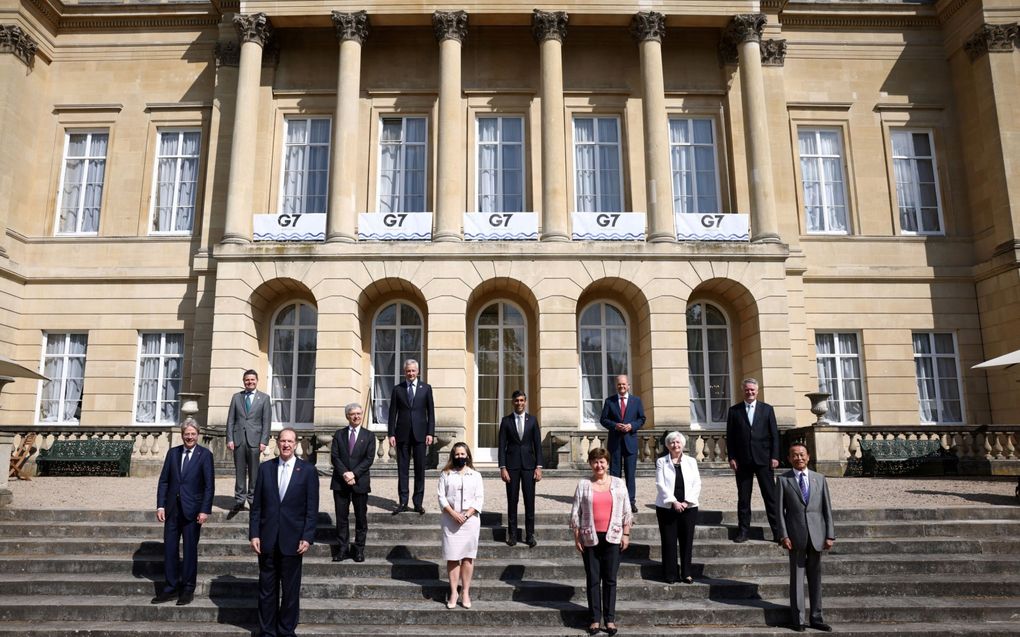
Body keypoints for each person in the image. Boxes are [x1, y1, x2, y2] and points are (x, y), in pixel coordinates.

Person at [250, 428, 319, 637]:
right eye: (282, 441)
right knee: (266, 591)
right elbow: (257, 506)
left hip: (293, 540)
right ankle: (267, 631)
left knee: (290, 592)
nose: (286, 445)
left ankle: (286, 630)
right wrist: (254, 534)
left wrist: (307, 536)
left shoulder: (307, 471)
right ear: (277, 443)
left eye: (290, 441)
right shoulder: (265, 469)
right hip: (267, 539)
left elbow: (311, 508)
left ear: (296, 443)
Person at [570, 447, 633, 636]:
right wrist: (577, 537)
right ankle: (595, 619)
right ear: (590, 464)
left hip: (613, 536)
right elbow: (575, 513)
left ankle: (610, 619)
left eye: (602, 461)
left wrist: (626, 534)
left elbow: (626, 511)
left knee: (611, 580)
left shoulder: (619, 483)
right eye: (595, 461)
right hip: (590, 537)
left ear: (607, 463)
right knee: (593, 580)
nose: (599, 465)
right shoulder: (583, 484)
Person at [152, 418, 214, 606]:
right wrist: (160, 505)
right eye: (187, 434)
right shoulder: (172, 453)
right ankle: (170, 588)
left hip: (193, 511)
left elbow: (209, 486)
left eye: (193, 434)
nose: (190, 437)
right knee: (170, 549)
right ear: (182, 435)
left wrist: (205, 510)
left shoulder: (205, 455)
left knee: (189, 550)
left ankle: (187, 589)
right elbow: (164, 481)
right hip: (171, 509)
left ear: (198, 435)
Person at [776, 443, 835, 632]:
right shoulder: (784, 480)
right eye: (794, 455)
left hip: (817, 535)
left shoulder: (819, 478)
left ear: (808, 457)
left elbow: (827, 509)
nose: (798, 458)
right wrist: (783, 535)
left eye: (802, 455)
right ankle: (798, 619)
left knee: (816, 579)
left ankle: (817, 618)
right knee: (797, 580)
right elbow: (779, 512)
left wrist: (830, 535)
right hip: (795, 536)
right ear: (789, 458)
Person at [725, 377, 781, 542]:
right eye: (747, 389)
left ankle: (778, 532)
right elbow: (731, 437)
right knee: (743, 498)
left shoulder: (767, 409)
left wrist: (775, 456)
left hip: (764, 459)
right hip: (742, 461)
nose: (750, 392)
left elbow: (774, 435)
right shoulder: (734, 411)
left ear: (757, 391)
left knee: (771, 497)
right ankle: (743, 532)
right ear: (743, 391)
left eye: (752, 390)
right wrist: (732, 457)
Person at [437, 442, 483, 610]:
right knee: (452, 556)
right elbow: (441, 497)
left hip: (470, 521)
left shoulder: (476, 475)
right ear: (453, 456)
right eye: (457, 454)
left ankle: (465, 592)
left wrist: (467, 514)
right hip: (450, 520)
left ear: (468, 456)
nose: (460, 457)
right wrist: (453, 514)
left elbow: (479, 498)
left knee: (468, 557)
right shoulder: (445, 474)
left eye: (463, 454)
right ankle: (453, 592)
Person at [387, 358, 435, 515]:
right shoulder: (397, 389)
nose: (411, 373)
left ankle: (418, 503)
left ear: (418, 371)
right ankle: (403, 502)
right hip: (402, 434)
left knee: (420, 470)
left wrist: (430, 432)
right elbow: (392, 413)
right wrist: (391, 433)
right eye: (408, 371)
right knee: (403, 470)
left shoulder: (426, 388)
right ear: (404, 372)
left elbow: (431, 413)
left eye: (413, 370)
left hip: (421, 434)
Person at [330, 402, 376, 562]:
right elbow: (334, 457)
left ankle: (358, 550)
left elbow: (369, 459)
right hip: (340, 482)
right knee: (341, 518)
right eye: (353, 414)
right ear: (347, 416)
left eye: (358, 413)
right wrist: (345, 473)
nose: (356, 416)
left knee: (360, 518)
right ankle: (342, 549)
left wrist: (353, 474)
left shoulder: (369, 436)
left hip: (360, 482)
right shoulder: (339, 434)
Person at [498, 389, 543, 547]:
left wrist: (539, 466)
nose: (519, 403)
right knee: (512, 501)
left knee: (529, 501)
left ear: (525, 402)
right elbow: (502, 446)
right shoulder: (506, 421)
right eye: (516, 401)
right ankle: (513, 535)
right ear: (513, 402)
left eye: (522, 400)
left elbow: (537, 444)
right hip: (511, 467)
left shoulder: (532, 420)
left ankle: (530, 535)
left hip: (529, 467)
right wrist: (502, 467)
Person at [654, 431, 701, 585]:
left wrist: (687, 502)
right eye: (672, 442)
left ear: (683, 444)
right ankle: (670, 573)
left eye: (678, 442)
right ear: (668, 445)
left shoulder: (691, 461)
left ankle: (687, 573)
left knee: (687, 541)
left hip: (689, 507)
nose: (675, 445)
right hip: (667, 507)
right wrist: (674, 501)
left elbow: (697, 483)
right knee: (669, 541)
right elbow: (660, 484)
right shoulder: (662, 462)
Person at [226, 369, 272, 512]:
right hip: (238, 440)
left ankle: (253, 500)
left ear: (257, 381)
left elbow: (266, 422)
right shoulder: (236, 397)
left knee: (254, 472)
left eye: (252, 379)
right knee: (239, 471)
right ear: (243, 381)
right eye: (247, 380)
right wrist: (229, 439)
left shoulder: (264, 398)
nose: (250, 382)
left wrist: (264, 441)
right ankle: (240, 500)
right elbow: (230, 420)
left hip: (255, 440)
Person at [599, 374, 646, 513]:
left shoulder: (636, 401)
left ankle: (631, 502)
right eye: (619, 384)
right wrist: (615, 425)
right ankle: (615, 501)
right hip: (615, 443)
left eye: (624, 384)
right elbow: (603, 419)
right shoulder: (609, 401)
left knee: (630, 475)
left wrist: (631, 426)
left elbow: (642, 419)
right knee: (614, 475)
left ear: (628, 386)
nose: (622, 386)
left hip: (630, 442)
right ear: (616, 386)